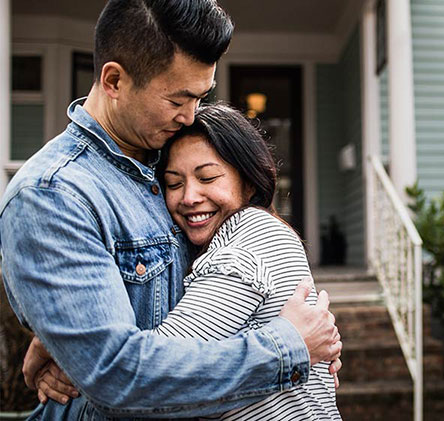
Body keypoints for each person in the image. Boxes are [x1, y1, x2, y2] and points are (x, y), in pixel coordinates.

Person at [0, 1, 341, 419]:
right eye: (178, 99)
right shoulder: (54, 194)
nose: (190, 115)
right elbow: (117, 376)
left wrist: (307, 340)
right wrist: (287, 348)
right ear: (114, 81)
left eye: (200, 97)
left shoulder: (162, 159)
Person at [152, 103, 342, 419]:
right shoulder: (234, 238)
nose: (188, 197)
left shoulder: (252, 233)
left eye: (208, 177)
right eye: (174, 183)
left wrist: (77, 354)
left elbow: (159, 369)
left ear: (249, 182)